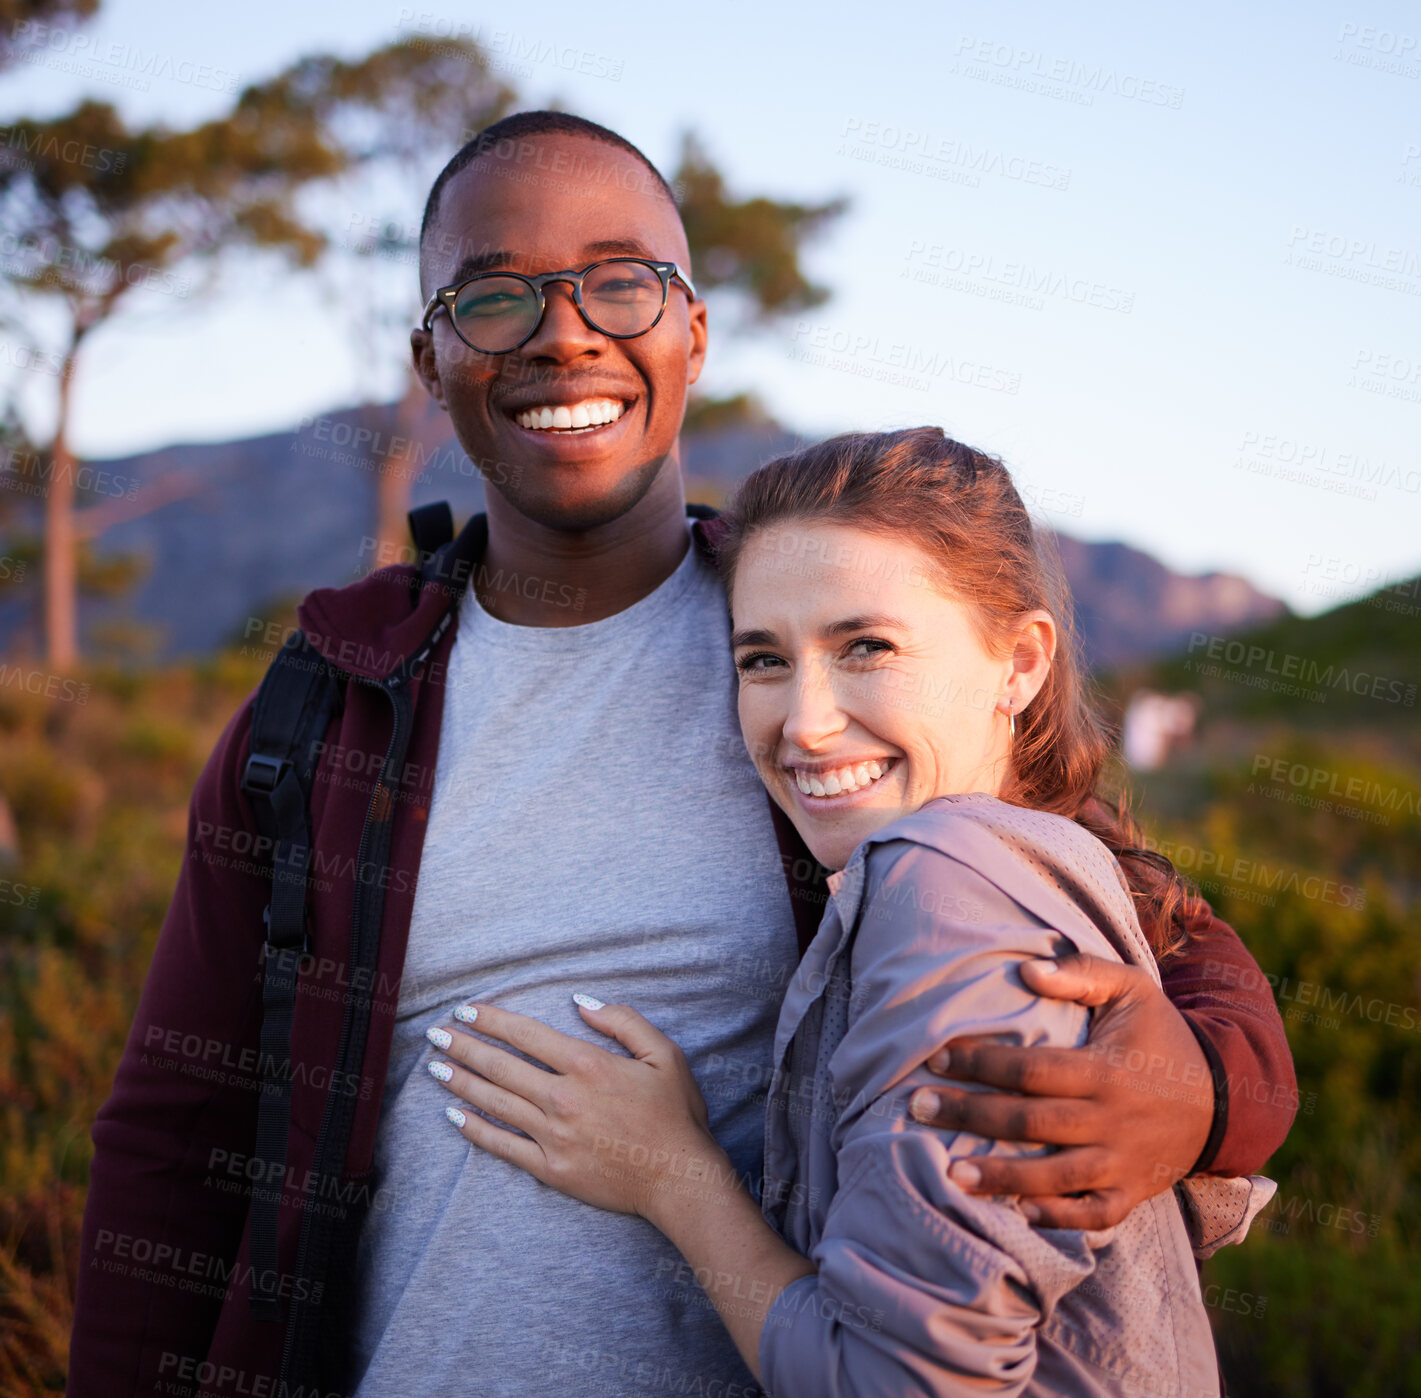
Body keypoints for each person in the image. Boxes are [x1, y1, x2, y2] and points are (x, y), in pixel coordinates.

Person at [68, 114, 1294, 1398]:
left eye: (619, 280)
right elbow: (172, 1133)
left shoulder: (819, 661)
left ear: (692, 330)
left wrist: (1204, 1094)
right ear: (431, 359)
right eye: (494, 295)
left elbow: (1166, 942)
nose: (563, 332)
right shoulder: (328, 708)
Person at [420, 427, 1278, 1394]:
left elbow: (894, 1382)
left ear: (1021, 662)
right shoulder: (1028, 861)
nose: (806, 723)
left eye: (866, 646)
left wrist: (672, 1176)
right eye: (762, 661)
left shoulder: (944, 882)